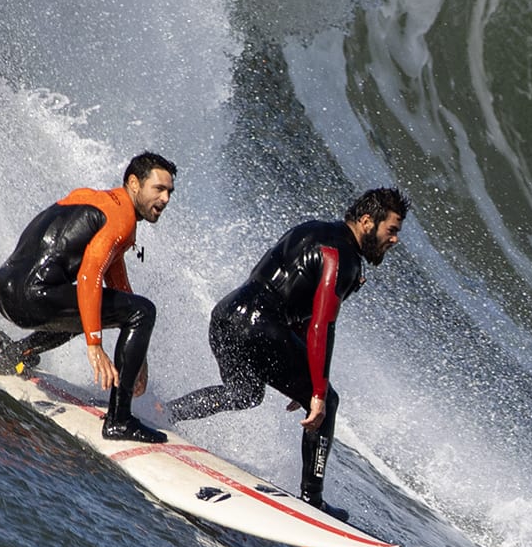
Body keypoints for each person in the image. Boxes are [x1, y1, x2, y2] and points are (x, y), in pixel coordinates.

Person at [160, 187, 408, 512]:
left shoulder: (312, 228)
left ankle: (163, 413)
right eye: (391, 230)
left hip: (226, 316)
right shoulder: (343, 258)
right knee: (328, 402)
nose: (395, 240)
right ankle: (313, 500)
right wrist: (316, 390)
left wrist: (301, 369)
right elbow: (321, 326)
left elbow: (292, 300)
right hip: (260, 328)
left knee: (245, 393)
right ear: (366, 221)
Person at [0, 152, 178, 443]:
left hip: (5, 289)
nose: (165, 199)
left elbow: (116, 282)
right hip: (33, 299)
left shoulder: (92, 198)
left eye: (169, 192)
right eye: (159, 189)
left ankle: (16, 355)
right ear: (134, 184)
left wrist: (140, 359)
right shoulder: (121, 219)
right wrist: (95, 345)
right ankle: (119, 420)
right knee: (143, 311)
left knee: (101, 308)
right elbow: (90, 276)